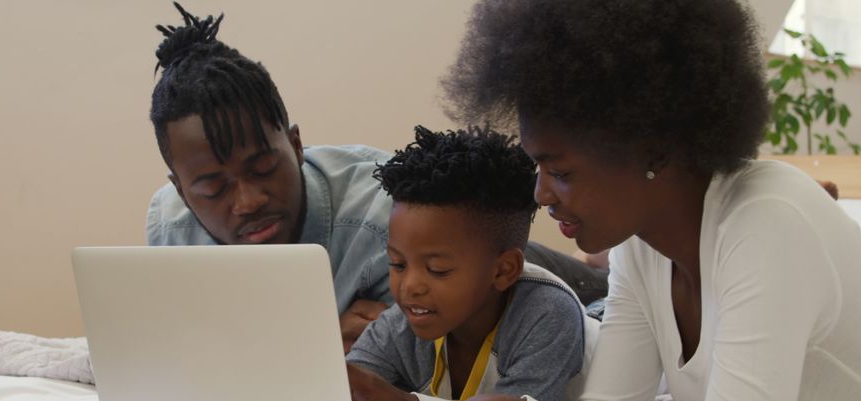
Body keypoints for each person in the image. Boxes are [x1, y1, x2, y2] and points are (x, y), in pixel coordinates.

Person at [359, 0, 861, 401]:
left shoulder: (769, 222)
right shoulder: (640, 245)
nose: (540, 195)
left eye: (559, 170)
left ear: (655, 148)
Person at [145, 3, 610, 352]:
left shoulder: (380, 210)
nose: (247, 201)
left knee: (593, 292)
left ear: (296, 145)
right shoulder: (169, 232)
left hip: (495, 261)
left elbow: (438, 347)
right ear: (181, 189)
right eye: (211, 188)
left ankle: (600, 265)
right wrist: (321, 337)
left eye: (264, 168)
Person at [346, 126, 599, 401]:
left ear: (503, 271)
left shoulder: (547, 314)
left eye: (438, 270)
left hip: (599, 311)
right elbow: (349, 397)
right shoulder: (400, 324)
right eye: (397, 264)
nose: (409, 285)